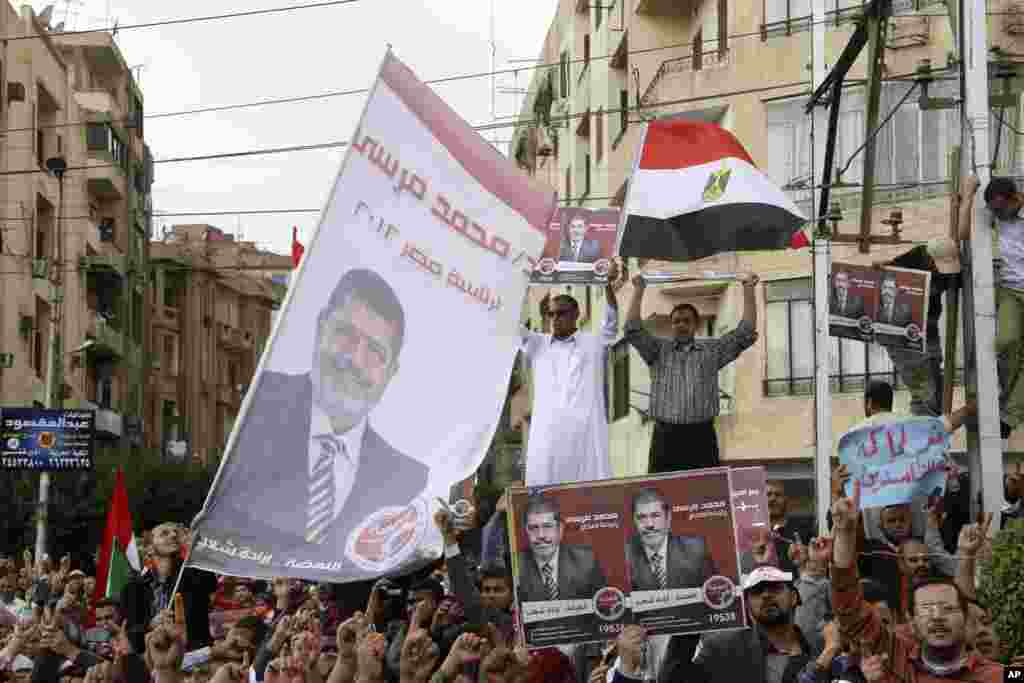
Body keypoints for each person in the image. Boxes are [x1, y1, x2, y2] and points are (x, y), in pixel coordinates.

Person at [207, 268, 429, 563]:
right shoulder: (260, 405)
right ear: (320, 326)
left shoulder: (407, 482)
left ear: (390, 373)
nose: (353, 360)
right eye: (345, 334)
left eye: (375, 351)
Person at [828, 485, 1003, 683]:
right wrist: (845, 534)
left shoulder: (998, 675)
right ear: (911, 623)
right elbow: (850, 612)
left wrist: (967, 554)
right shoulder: (897, 662)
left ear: (965, 618)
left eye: (947, 609)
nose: (937, 617)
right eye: (927, 609)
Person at [625, 272, 759, 472]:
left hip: (701, 437)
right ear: (671, 325)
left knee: (705, 495)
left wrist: (748, 289)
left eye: (686, 320)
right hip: (665, 438)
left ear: (695, 325)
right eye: (676, 321)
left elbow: (744, 334)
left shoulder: (712, 351)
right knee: (663, 494)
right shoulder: (657, 350)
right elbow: (633, 330)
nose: (681, 325)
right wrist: (638, 290)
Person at [608, 565, 822, 683]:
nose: (766, 595)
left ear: (795, 597)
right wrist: (691, 624)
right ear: (746, 606)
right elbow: (674, 679)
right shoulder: (725, 648)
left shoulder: (820, 646)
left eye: (775, 588)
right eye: (756, 591)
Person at [521, 260, 622, 486]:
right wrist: (518, 281)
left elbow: (612, 321)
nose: (555, 319)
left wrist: (605, 284)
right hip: (550, 439)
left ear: (576, 313)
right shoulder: (539, 344)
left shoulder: (593, 342)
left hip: (585, 437)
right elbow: (511, 326)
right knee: (548, 500)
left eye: (561, 313)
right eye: (551, 314)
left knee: (588, 495)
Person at [872, 237, 962, 417]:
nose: (940, 271)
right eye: (938, 266)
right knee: (926, 392)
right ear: (930, 258)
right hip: (903, 334)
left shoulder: (949, 266)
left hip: (928, 329)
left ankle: (926, 428)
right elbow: (882, 274)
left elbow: (957, 278)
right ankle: (924, 432)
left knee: (934, 390)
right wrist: (880, 269)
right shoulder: (912, 260)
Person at [120, 522, 218, 651]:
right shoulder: (133, 588)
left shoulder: (192, 574)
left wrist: (192, 547)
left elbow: (210, 582)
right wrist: (152, 624)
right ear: (149, 548)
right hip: (155, 657)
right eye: (164, 533)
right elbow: (133, 633)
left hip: (193, 654)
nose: (173, 535)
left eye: (175, 532)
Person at [978, 176, 1021, 438]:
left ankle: (1011, 415)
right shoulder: (991, 219)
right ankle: (1005, 398)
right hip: (1010, 290)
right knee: (1005, 340)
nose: (997, 214)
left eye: (1000, 209)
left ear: (1016, 199)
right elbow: (962, 232)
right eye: (993, 210)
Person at [515, 496, 607, 603]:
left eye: (548, 526)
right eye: (533, 528)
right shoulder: (516, 566)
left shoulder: (586, 562)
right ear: (526, 531)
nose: (541, 535)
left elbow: (603, 609)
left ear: (560, 529)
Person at [625, 488, 717, 591]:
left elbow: (715, 595)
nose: (649, 524)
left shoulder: (695, 549)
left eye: (655, 516)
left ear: (668, 518)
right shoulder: (626, 555)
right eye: (641, 517)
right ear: (634, 521)